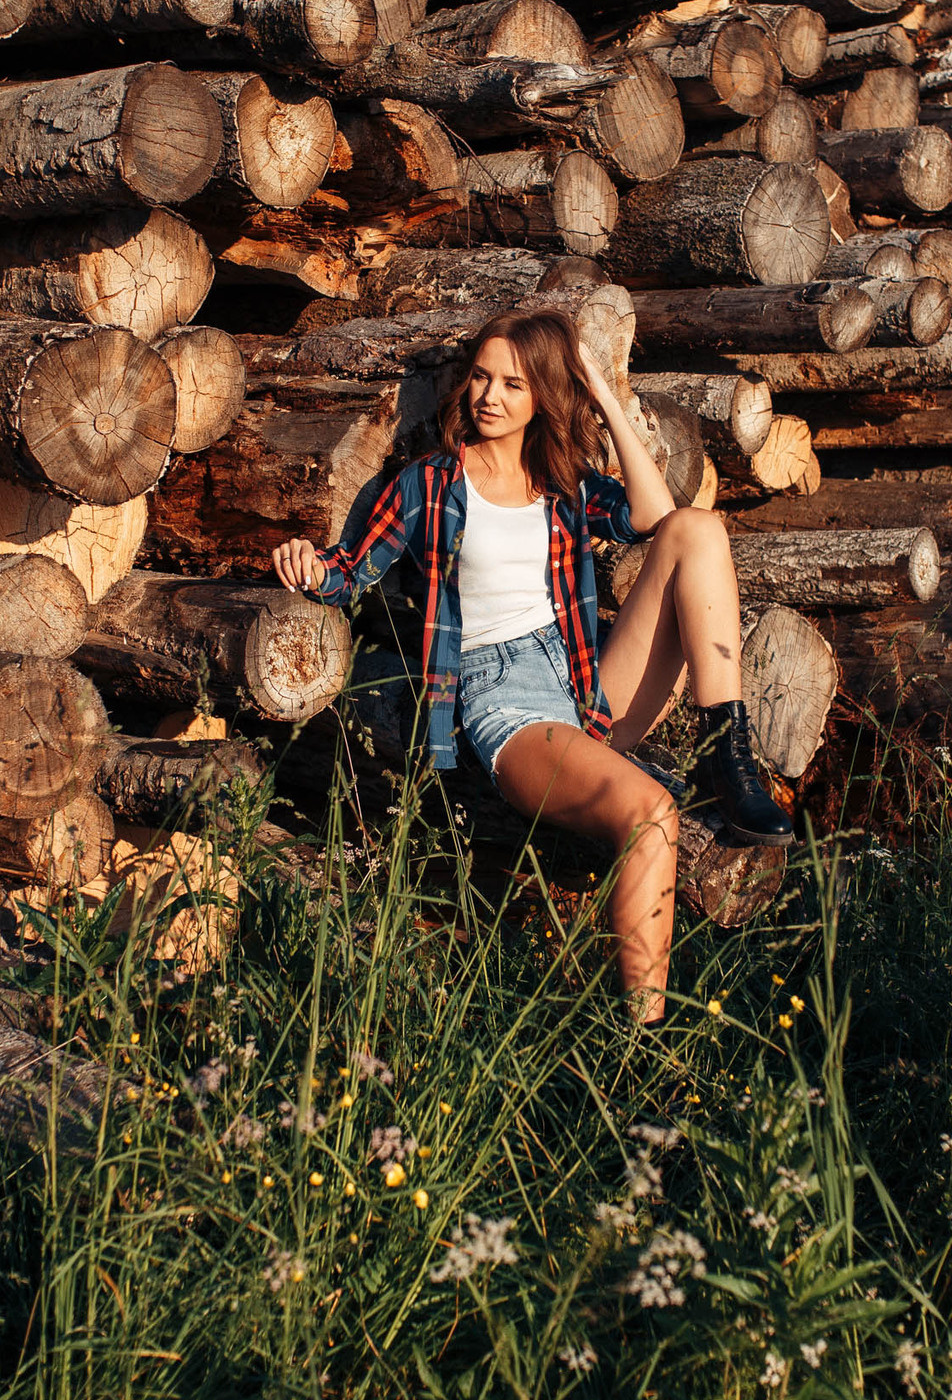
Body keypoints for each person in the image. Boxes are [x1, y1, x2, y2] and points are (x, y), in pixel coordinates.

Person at [272, 310, 794, 1018]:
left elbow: (651, 512)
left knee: (695, 528)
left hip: (581, 690)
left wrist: (602, 391)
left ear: (544, 396)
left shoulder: (563, 484)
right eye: (481, 377)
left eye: (513, 384)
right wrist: (307, 563)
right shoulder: (431, 482)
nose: (489, 395)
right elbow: (353, 570)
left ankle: (728, 752)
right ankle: (640, 1042)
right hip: (501, 704)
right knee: (651, 811)